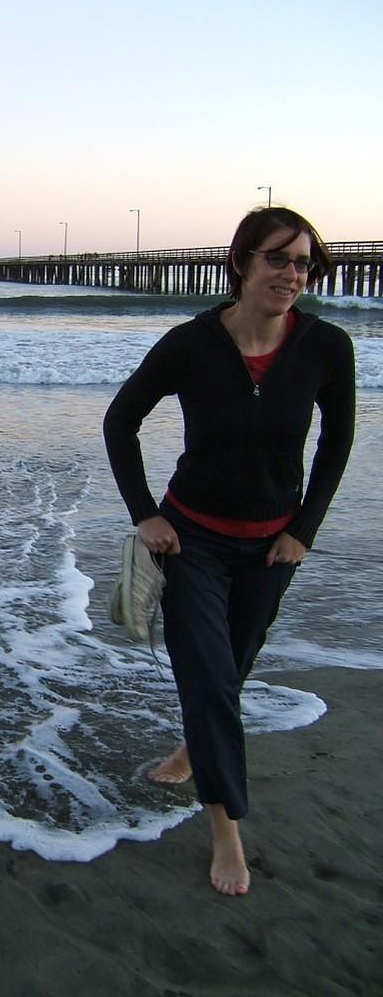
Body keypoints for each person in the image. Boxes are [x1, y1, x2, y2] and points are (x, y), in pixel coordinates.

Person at [103, 207, 355, 896]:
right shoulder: (190, 344)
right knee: (211, 679)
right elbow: (120, 420)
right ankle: (225, 831)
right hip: (194, 542)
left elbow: (335, 442)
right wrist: (146, 516)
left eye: (303, 262)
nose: (292, 273)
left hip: (273, 548)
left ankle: (193, 751)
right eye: (278, 258)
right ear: (242, 263)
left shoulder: (327, 347)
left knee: (233, 667)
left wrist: (304, 529)